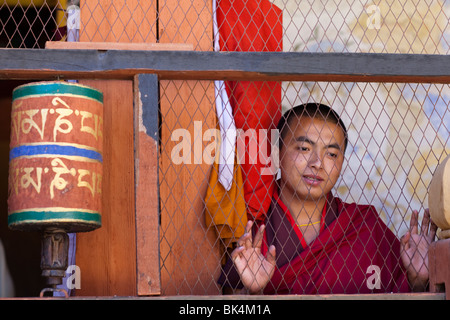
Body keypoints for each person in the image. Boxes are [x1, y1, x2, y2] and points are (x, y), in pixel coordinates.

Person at [218, 103, 437, 294]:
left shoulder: (365, 226)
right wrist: (252, 293)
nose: (317, 163)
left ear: (341, 162)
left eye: (331, 154)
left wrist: (417, 280)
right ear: (276, 154)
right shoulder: (251, 226)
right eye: (304, 148)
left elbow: (402, 288)